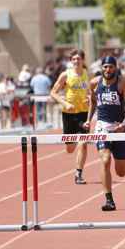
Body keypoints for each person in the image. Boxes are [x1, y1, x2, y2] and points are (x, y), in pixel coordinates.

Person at [83, 55, 125, 212]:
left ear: (115, 68)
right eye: (105, 67)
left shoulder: (122, 84)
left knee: (121, 172)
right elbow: (93, 102)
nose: (108, 69)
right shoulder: (94, 83)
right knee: (105, 160)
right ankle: (109, 200)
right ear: (101, 68)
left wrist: (124, 124)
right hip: (102, 127)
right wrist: (88, 120)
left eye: (111, 67)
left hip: (118, 127)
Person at [50, 49, 90, 185]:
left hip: (84, 113)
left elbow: (91, 92)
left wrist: (89, 98)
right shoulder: (65, 75)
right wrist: (65, 103)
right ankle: (71, 144)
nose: (76, 61)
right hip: (69, 114)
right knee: (70, 148)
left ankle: (78, 173)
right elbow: (53, 92)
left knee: (83, 143)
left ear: (83, 60)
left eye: (78, 58)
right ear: (71, 61)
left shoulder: (87, 74)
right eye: (74, 59)